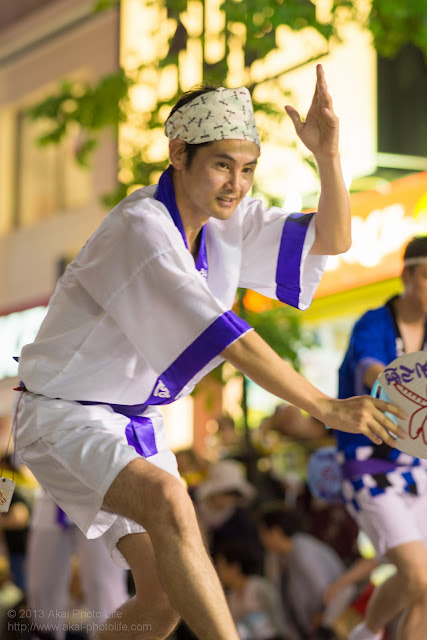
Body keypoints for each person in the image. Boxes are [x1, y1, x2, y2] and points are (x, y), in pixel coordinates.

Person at [12, 65, 405, 640]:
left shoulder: (229, 223)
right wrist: (327, 406)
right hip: (61, 417)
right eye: (222, 164)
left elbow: (334, 239)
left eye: (247, 169)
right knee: (170, 499)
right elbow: (230, 340)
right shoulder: (139, 228)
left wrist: (328, 154)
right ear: (178, 154)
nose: (237, 184)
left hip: (134, 425)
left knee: (166, 598)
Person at [336, 235, 427, 640]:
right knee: (417, 574)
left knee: (425, 587)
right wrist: (400, 389)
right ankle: (366, 633)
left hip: (419, 466)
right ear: (407, 275)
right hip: (368, 467)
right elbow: (373, 371)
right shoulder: (373, 323)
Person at [26, 490, 129, 640]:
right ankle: (45, 634)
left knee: (102, 587)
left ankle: (111, 636)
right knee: (41, 588)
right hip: (53, 495)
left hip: (100, 497)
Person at [257, 504, 353, 639]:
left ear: (276, 532)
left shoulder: (303, 550)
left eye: (263, 532)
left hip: (329, 622)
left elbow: (323, 590)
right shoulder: (278, 557)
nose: (261, 538)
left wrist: (322, 618)